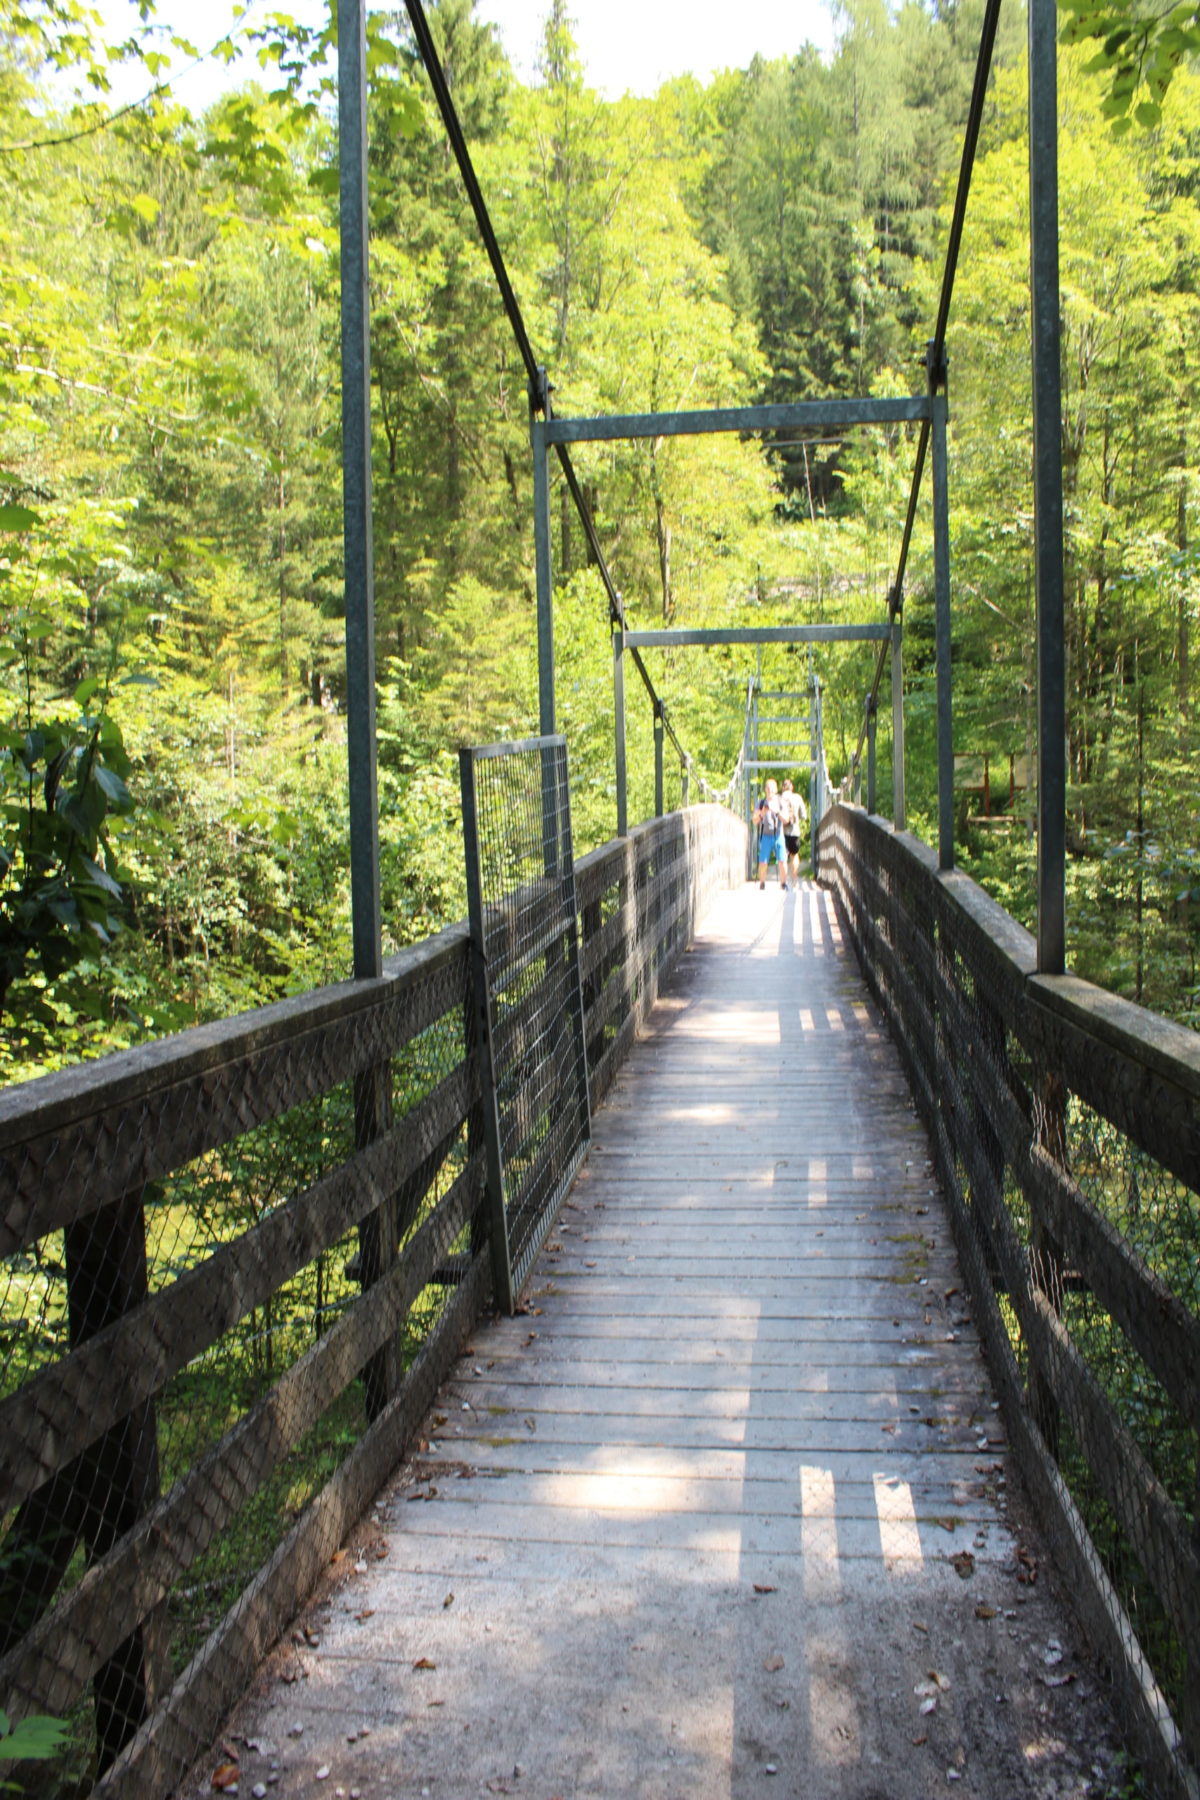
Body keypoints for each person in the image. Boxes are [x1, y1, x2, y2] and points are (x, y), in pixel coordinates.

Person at [754, 778, 787, 890]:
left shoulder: (780, 802)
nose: (770, 790)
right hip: (766, 836)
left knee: (782, 860)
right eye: (768, 788)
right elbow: (754, 821)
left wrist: (776, 812)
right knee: (763, 862)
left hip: (778, 835)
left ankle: (783, 884)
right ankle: (762, 883)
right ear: (765, 789)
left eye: (772, 788)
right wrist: (762, 813)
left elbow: (786, 819)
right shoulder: (761, 803)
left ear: (776, 789)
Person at [779, 777, 808, 889]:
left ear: (782, 787)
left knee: (783, 856)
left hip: (781, 832)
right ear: (792, 787)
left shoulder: (779, 798)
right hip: (794, 831)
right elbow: (804, 816)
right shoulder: (797, 797)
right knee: (794, 855)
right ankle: (794, 880)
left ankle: (783, 881)